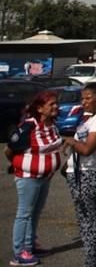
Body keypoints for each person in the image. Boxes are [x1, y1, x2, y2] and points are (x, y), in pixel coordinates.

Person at [62, 83, 96, 267]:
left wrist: (69, 140)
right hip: (81, 175)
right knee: (85, 224)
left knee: (89, 226)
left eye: (88, 98)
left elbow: (87, 150)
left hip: (91, 177)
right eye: (82, 98)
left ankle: (91, 264)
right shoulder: (91, 119)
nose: (83, 102)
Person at [6, 90, 63, 267]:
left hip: (45, 176)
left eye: (56, 103)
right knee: (24, 213)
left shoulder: (52, 125)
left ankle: (30, 245)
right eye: (51, 104)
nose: (55, 107)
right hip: (29, 177)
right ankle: (19, 253)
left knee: (35, 212)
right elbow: (9, 149)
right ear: (39, 108)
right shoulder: (28, 127)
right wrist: (20, 165)